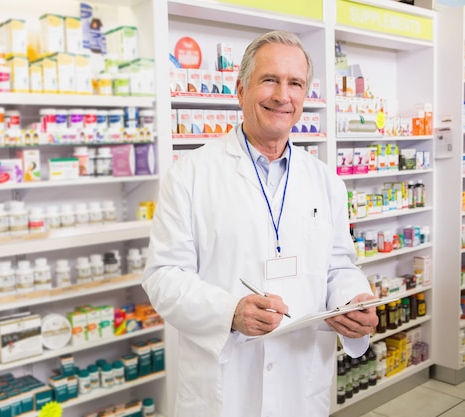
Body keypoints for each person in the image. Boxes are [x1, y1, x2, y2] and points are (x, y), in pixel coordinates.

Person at [142, 30, 378, 417]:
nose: (282, 95)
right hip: (226, 381)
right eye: (269, 79)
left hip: (300, 380)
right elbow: (163, 276)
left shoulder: (326, 180)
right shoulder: (190, 174)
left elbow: (339, 264)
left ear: (305, 95)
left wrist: (351, 301)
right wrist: (229, 312)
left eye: (295, 83)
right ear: (240, 89)